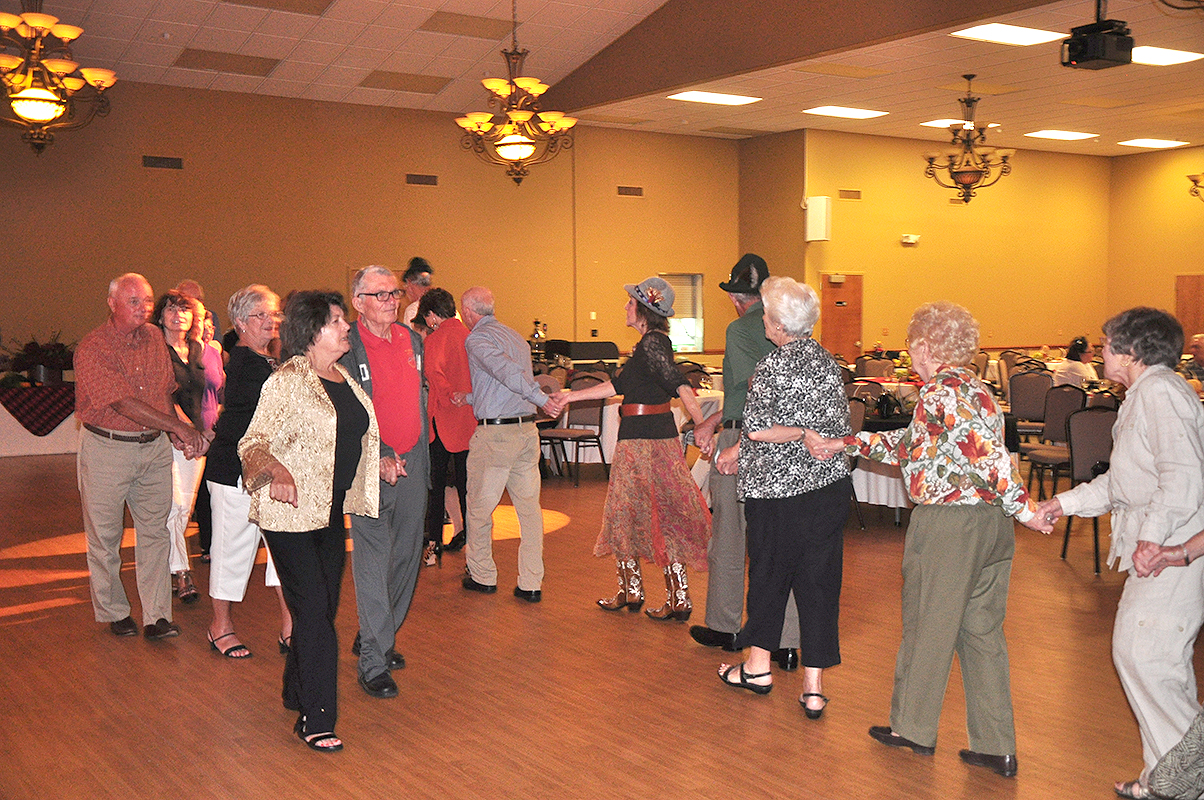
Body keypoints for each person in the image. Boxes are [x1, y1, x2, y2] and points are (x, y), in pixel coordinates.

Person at [807, 301, 1051, 778]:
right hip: (988, 526)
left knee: (927, 625)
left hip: (949, 527)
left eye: (910, 344)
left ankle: (913, 728)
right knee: (981, 634)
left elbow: (986, 455)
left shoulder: (940, 391)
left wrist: (1028, 510)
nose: (909, 353)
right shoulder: (973, 389)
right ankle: (995, 744)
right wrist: (845, 443)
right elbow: (913, 446)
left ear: (925, 346)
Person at [1036, 307, 1204, 799]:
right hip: (1161, 543)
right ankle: (1165, 780)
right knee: (1151, 660)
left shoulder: (1160, 392)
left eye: (1108, 344)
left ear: (1132, 352)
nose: (1101, 350)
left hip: (1176, 547)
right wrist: (1061, 503)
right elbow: (1122, 482)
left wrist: (1154, 539)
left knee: (1146, 658)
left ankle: (1184, 781)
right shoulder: (1144, 394)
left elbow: (1184, 477)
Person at [240, 290, 381, 753]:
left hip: (328, 511)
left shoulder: (342, 378)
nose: (346, 328)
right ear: (313, 331)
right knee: (317, 614)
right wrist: (275, 469)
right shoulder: (287, 382)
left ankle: (295, 688)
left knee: (318, 609)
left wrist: (380, 463)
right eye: (337, 321)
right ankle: (316, 718)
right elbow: (251, 443)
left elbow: (348, 438)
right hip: (288, 515)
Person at [711, 277, 849, 718]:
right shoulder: (829, 364)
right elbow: (835, 430)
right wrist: (806, 433)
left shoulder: (771, 367)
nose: (764, 321)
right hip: (827, 491)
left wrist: (786, 434)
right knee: (819, 586)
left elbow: (757, 430)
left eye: (767, 315)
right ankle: (812, 688)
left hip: (778, 494)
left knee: (771, 578)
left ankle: (758, 668)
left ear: (778, 324)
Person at [557, 277, 712, 621]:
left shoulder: (654, 344)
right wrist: (570, 396)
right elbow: (616, 386)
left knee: (633, 511)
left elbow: (681, 384)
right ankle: (658, 594)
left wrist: (702, 425)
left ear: (643, 310)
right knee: (648, 512)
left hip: (644, 443)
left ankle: (649, 593)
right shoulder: (648, 346)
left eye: (630, 303)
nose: (625, 307)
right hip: (649, 438)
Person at [75, 273, 206, 639]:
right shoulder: (93, 347)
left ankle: (157, 616)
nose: (144, 308)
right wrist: (179, 427)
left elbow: (164, 390)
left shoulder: (153, 338)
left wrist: (171, 433)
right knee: (105, 537)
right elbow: (123, 403)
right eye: (134, 301)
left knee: (156, 532)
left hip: (153, 449)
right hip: (106, 448)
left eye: (147, 301)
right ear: (112, 303)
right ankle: (114, 610)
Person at [690, 253, 801, 670]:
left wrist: (726, 437)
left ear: (737, 297)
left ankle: (726, 626)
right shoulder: (797, 333)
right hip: (787, 441)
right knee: (779, 544)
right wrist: (712, 420)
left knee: (731, 538)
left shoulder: (738, 330)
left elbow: (754, 390)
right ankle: (788, 641)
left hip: (746, 438)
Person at [339, 266, 430, 699]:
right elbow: (343, 413)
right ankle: (374, 660)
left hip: (414, 462)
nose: (391, 300)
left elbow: (417, 397)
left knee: (407, 558)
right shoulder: (344, 346)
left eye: (394, 292)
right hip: (369, 466)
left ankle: (378, 632)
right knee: (373, 560)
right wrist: (375, 457)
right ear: (357, 301)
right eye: (379, 295)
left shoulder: (411, 340)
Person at [203, 285, 291, 659]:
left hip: (270, 471)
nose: (270, 321)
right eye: (260, 315)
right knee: (232, 548)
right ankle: (219, 627)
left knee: (284, 550)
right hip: (234, 471)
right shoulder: (243, 363)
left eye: (273, 314)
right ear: (239, 323)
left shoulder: (268, 361)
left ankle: (291, 627)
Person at [455, 286, 557, 601]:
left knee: (479, 510)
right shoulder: (515, 337)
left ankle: (483, 575)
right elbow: (504, 384)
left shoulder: (476, 339)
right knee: (529, 511)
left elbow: (505, 372)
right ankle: (530, 583)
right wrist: (470, 397)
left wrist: (543, 399)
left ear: (469, 312)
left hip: (496, 438)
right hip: (526, 433)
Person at [153, 289, 212, 604]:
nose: (178, 315)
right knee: (174, 505)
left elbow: (209, 394)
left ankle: (172, 565)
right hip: (167, 436)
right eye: (171, 309)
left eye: (184, 310)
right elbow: (163, 394)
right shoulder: (155, 350)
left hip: (198, 439)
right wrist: (183, 428)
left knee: (185, 509)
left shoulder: (197, 349)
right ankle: (181, 572)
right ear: (161, 316)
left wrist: (206, 432)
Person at [417, 287, 475, 564]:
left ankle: (434, 544)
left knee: (436, 486)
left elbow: (435, 377)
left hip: (442, 420)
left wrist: (447, 397)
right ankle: (475, 549)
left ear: (430, 316)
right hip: (469, 420)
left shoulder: (434, 339)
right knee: (467, 487)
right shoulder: (469, 335)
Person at [194, 307, 224, 562]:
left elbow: (221, 389)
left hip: (213, 428)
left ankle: (213, 543)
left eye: (213, 324)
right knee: (191, 497)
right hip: (192, 429)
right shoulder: (186, 353)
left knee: (210, 487)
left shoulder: (214, 351)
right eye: (205, 322)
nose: (210, 327)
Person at [401, 257, 433, 331]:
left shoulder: (412, 311)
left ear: (410, 284)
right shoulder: (447, 307)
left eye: (405, 286)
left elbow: (410, 340)